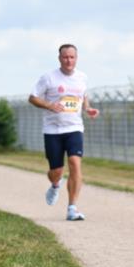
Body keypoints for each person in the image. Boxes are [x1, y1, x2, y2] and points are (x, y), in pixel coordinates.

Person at [28, 44, 99, 220]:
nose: (69, 60)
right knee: (56, 171)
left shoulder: (82, 77)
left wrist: (87, 108)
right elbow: (33, 98)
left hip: (74, 128)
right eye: (65, 57)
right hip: (53, 130)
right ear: (59, 58)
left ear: (76, 58)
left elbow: (83, 96)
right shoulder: (49, 78)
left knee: (75, 163)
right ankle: (55, 184)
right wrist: (49, 105)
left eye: (72, 57)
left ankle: (72, 208)